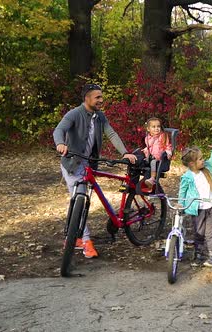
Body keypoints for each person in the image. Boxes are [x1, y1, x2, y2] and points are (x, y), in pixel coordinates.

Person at [54, 83, 137, 259]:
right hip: (71, 164)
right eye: (97, 97)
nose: (101, 100)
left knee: (79, 200)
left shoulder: (100, 117)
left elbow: (112, 134)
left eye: (101, 96)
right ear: (87, 98)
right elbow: (59, 129)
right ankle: (85, 241)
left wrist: (125, 152)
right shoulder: (74, 114)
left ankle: (73, 237)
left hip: (89, 165)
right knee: (80, 199)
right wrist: (60, 143)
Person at [179, 144, 212, 267]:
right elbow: (182, 191)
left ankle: (211, 256)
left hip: (211, 207)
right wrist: (180, 204)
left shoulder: (207, 168)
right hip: (198, 208)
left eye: (202, 158)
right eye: (200, 159)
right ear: (192, 164)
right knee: (199, 232)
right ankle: (198, 254)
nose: (203, 160)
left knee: (210, 233)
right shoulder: (188, 176)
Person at [141, 117, 173, 188]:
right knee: (143, 160)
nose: (157, 128)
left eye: (158, 126)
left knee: (153, 162)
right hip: (152, 156)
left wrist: (168, 152)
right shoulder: (148, 137)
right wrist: (146, 149)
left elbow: (167, 145)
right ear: (148, 129)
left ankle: (152, 179)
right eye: (154, 127)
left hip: (160, 158)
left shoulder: (163, 136)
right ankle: (144, 184)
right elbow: (149, 146)